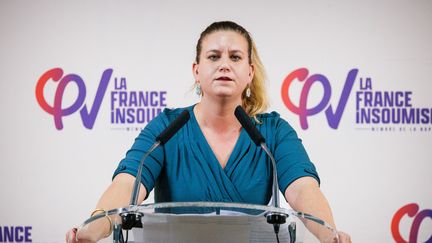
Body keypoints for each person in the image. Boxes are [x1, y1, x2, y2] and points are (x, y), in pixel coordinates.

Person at [66, 21, 351, 243]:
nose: (224, 64)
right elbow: (128, 184)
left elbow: (302, 188)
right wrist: (95, 227)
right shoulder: (167, 127)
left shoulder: (273, 132)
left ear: (250, 72)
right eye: (214, 56)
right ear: (197, 71)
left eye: (235, 57)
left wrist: (329, 234)